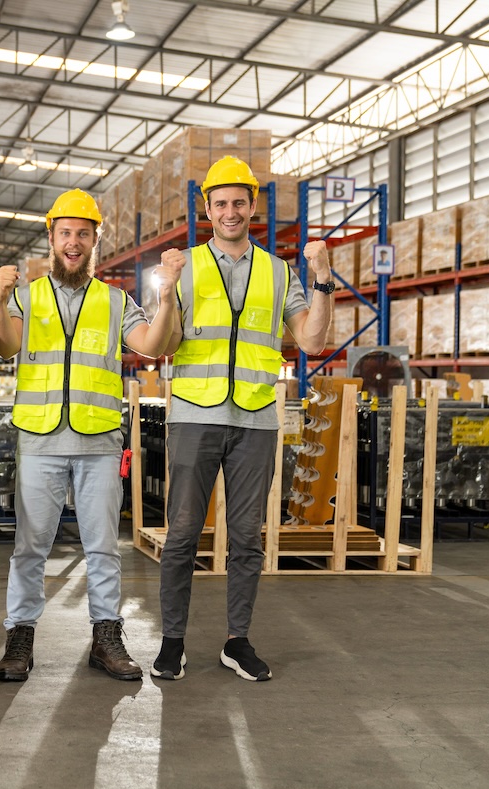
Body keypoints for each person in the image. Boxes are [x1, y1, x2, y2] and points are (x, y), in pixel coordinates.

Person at [153, 155, 333, 682]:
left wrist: (322, 279)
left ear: (253, 207)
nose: (230, 211)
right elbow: (160, 345)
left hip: (255, 418)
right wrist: (166, 290)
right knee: (183, 533)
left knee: (248, 537)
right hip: (193, 416)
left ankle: (237, 640)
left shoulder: (281, 273)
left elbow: (312, 340)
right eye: (220, 203)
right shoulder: (182, 265)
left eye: (239, 202)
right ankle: (172, 641)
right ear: (206, 209)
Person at [0, 189, 181, 682]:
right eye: (65, 233)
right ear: (51, 238)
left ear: (96, 239)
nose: (73, 242)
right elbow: (6, 345)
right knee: (30, 547)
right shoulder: (26, 297)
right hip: (41, 441)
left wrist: (168, 296)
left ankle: (105, 636)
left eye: (83, 234)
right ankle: (20, 637)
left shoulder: (117, 301)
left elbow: (153, 345)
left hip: (97, 442)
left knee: (101, 547)